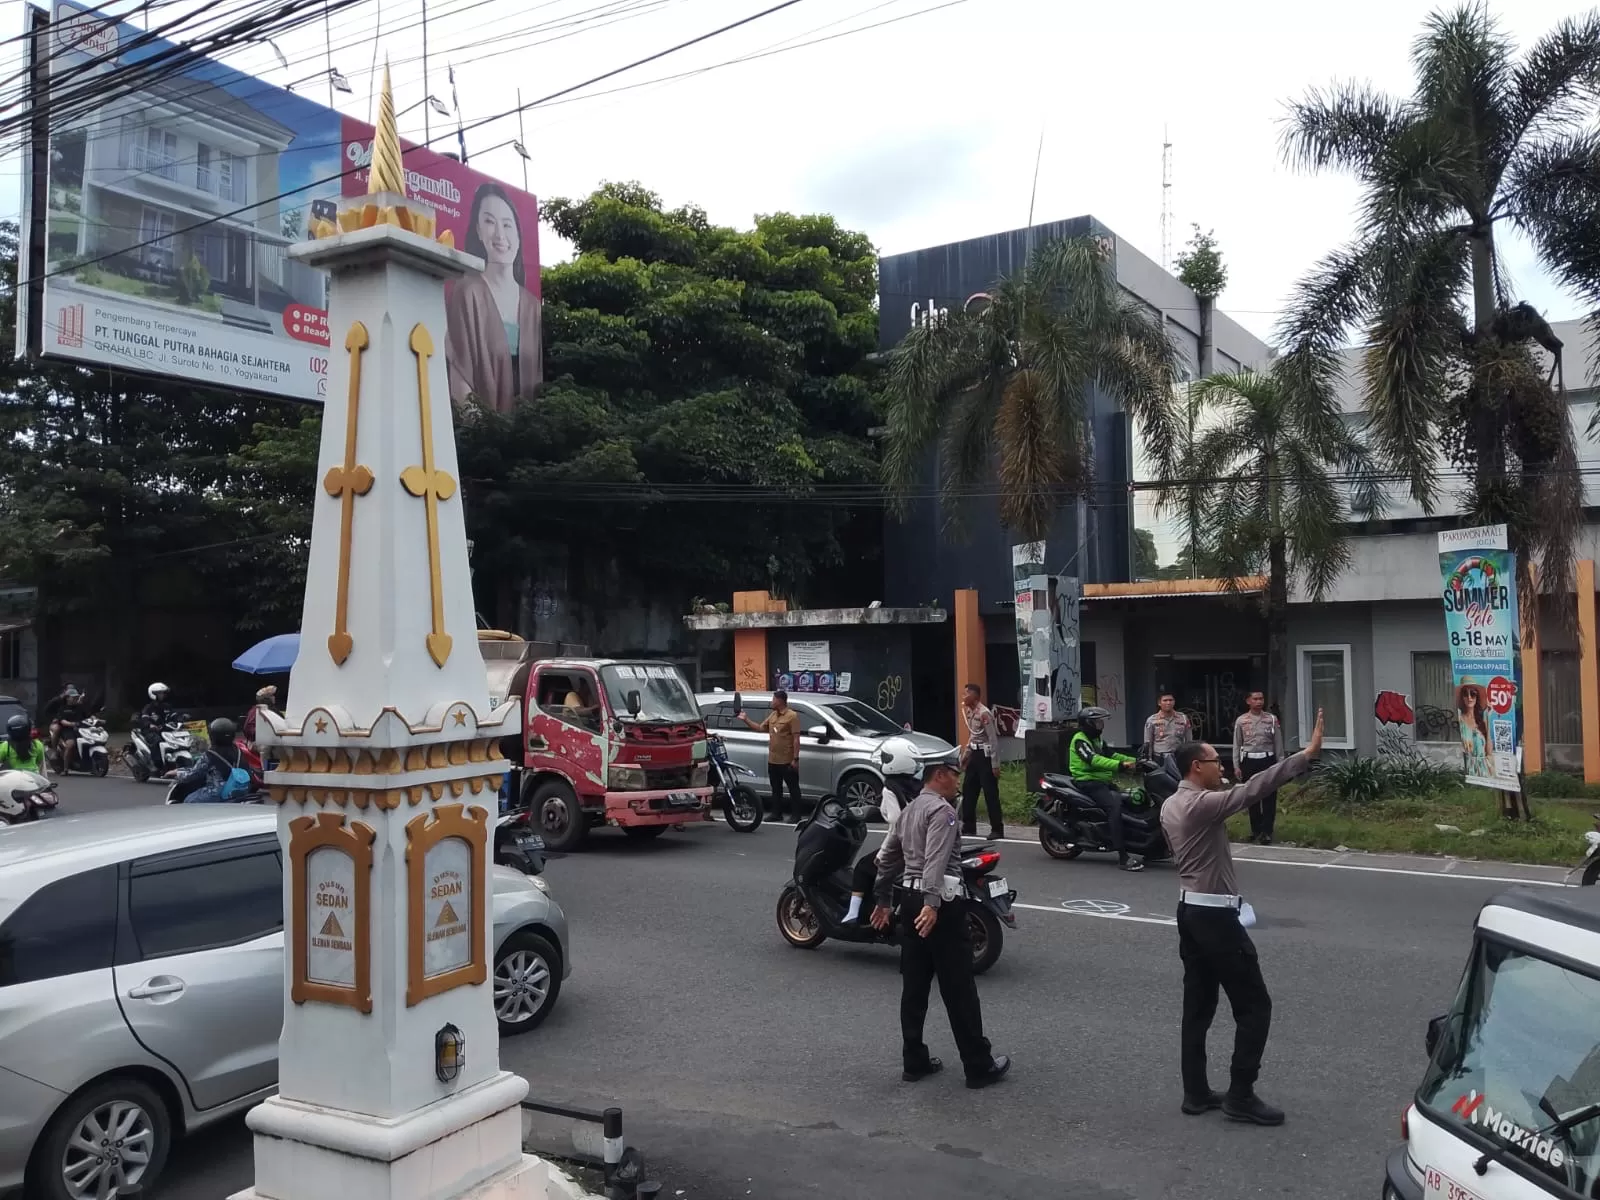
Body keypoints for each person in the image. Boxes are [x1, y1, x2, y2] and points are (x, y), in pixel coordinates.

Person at [1161, 710, 1325, 1126]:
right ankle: (1240, 1095)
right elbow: (1252, 789)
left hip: (1189, 910)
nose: (1219, 767)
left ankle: (1196, 1093)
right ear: (1195, 767)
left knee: (1197, 1008)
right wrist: (1303, 756)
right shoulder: (1200, 805)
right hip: (1215, 919)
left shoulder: (1170, 805)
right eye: (1214, 761)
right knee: (1254, 1007)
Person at [869, 761, 1010, 1088]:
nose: (959, 782)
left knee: (914, 986)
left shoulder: (910, 810)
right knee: (959, 988)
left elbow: (887, 857)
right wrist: (932, 903)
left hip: (909, 902)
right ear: (940, 775)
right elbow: (935, 859)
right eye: (955, 775)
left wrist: (883, 899)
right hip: (939, 906)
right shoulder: (943, 812)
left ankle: (914, 1061)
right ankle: (978, 1065)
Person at [445, 182, 543, 413]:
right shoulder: (467, 292)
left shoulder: (533, 307)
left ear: (518, 235)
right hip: (482, 430)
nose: (500, 234)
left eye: (507, 225)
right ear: (478, 231)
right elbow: (459, 380)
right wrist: (486, 429)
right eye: (490, 222)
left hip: (530, 430)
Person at [1068, 706, 1142, 871]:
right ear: (1088, 723)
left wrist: (1137, 761)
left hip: (1102, 781)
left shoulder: (1098, 740)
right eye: (1098, 722)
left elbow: (1112, 755)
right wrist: (1121, 765)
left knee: (1130, 802)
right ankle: (1122, 856)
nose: (1101, 725)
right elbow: (1093, 760)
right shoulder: (1080, 740)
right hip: (1088, 782)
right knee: (1114, 808)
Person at [842, 783, 904, 924]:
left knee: (863, 867)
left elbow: (896, 825)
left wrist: (883, 853)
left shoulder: (890, 789)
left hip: (901, 846)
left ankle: (853, 913)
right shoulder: (915, 788)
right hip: (918, 845)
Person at [738, 691, 804, 823]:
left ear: (780, 700)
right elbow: (760, 728)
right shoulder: (773, 715)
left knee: (793, 788)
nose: (772, 702)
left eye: (774, 699)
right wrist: (746, 719)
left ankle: (796, 815)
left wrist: (795, 759)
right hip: (773, 759)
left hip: (787, 760)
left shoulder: (792, 716)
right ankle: (776, 813)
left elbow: (796, 739)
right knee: (776, 788)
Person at [1231, 692, 1285, 845]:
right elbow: (1237, 744)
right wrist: (1236, 765)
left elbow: (1278, 742)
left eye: (1261, 699)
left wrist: (1280, 763)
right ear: (1248, 701)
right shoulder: (1242, 720)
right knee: (1251, 797)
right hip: (1249, 760)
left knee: (1269, 796)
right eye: (1255, 699)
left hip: (1268, 759)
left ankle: (1267, 832)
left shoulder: (1271, 719)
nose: (1259, 701)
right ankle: (1256, 830)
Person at [169, 718, 252, 804]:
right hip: (241, 790)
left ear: (213, 736)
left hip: (219, 792)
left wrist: (177, 774)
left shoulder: (210, 754)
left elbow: (194, 774)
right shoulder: (238, 750)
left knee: (188, 800)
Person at [959, 683, 1004, 840]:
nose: (964, 697)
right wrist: (965, 756)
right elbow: (973, 736)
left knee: (990, 793)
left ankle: (997, 828)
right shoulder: (970, 712)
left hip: (986, 757)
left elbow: (993, 739)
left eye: (966, 694)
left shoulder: (984, 714)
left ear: (975, 696)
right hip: (974, 755)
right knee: (968, 790)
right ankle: (969, 826)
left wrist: (995, 764)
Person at [42, 683, 89, 771]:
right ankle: (55, 752)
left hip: (71, 723)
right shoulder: (58, 701)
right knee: (57, 729)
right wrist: (55, 718)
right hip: (58, 721)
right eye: (71, 695)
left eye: (75, 695)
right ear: (65, 693)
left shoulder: (76, 704)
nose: (73, 697)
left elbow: (84, 714)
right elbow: (47, 711)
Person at [1143, 693, 1193, 757]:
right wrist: (1148, 758)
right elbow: (1148, 742)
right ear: (1159, 703)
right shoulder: (1152, 720)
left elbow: (1189, 739)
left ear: (1174, 702)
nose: (1168, 703)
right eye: (1165, 700)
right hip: (1159, 756)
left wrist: (1189, 756)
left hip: (1178, 755)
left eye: (1170, 700)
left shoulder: (1183, 718)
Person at [1457, 683, 1489, 774]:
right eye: (1465, 694)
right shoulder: (1459, 719)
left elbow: (1488, 750)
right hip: (1466, 768)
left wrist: (1488, 720)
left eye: (1473, 694)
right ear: (1462, 698)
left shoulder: (1482, 720)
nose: (1469, 698)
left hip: (1483, 770)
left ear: (1477, 697)